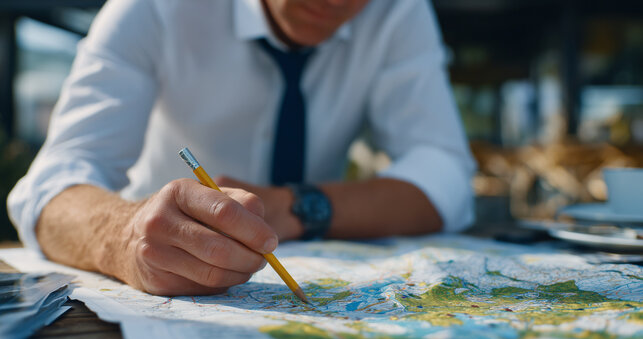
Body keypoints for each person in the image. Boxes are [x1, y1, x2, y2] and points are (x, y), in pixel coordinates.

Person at [8, 0, 476, 296]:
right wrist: (126, 236)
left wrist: (296, 208)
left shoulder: (397, 10)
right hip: (166, 285)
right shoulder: (153, 8)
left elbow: (446, 171)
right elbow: (50, 185)